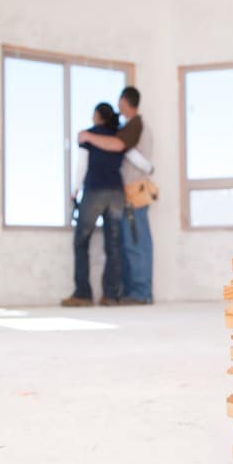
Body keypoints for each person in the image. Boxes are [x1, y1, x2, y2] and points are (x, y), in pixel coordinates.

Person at [78, 86, 154, 305]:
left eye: (120, 102)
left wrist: (88, 136)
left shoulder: (134, 124)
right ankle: (133, 292)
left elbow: (120, 146)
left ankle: (141, 293)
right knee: (127, 242)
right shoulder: (128, 126)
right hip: (126, 192)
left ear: (125, 102)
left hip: (135, 191)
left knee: (136, 242)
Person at [61, 103, 125, 307]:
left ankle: (83, 293)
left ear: (97, 116)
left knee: (81, 240)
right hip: (116, 192)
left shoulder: (88, 135)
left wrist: (75, 189)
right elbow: (135, 158)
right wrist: (149, 169)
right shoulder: (117, 137)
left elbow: (82, 164)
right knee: (113, 245)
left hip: (95, 191)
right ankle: (111, 295)